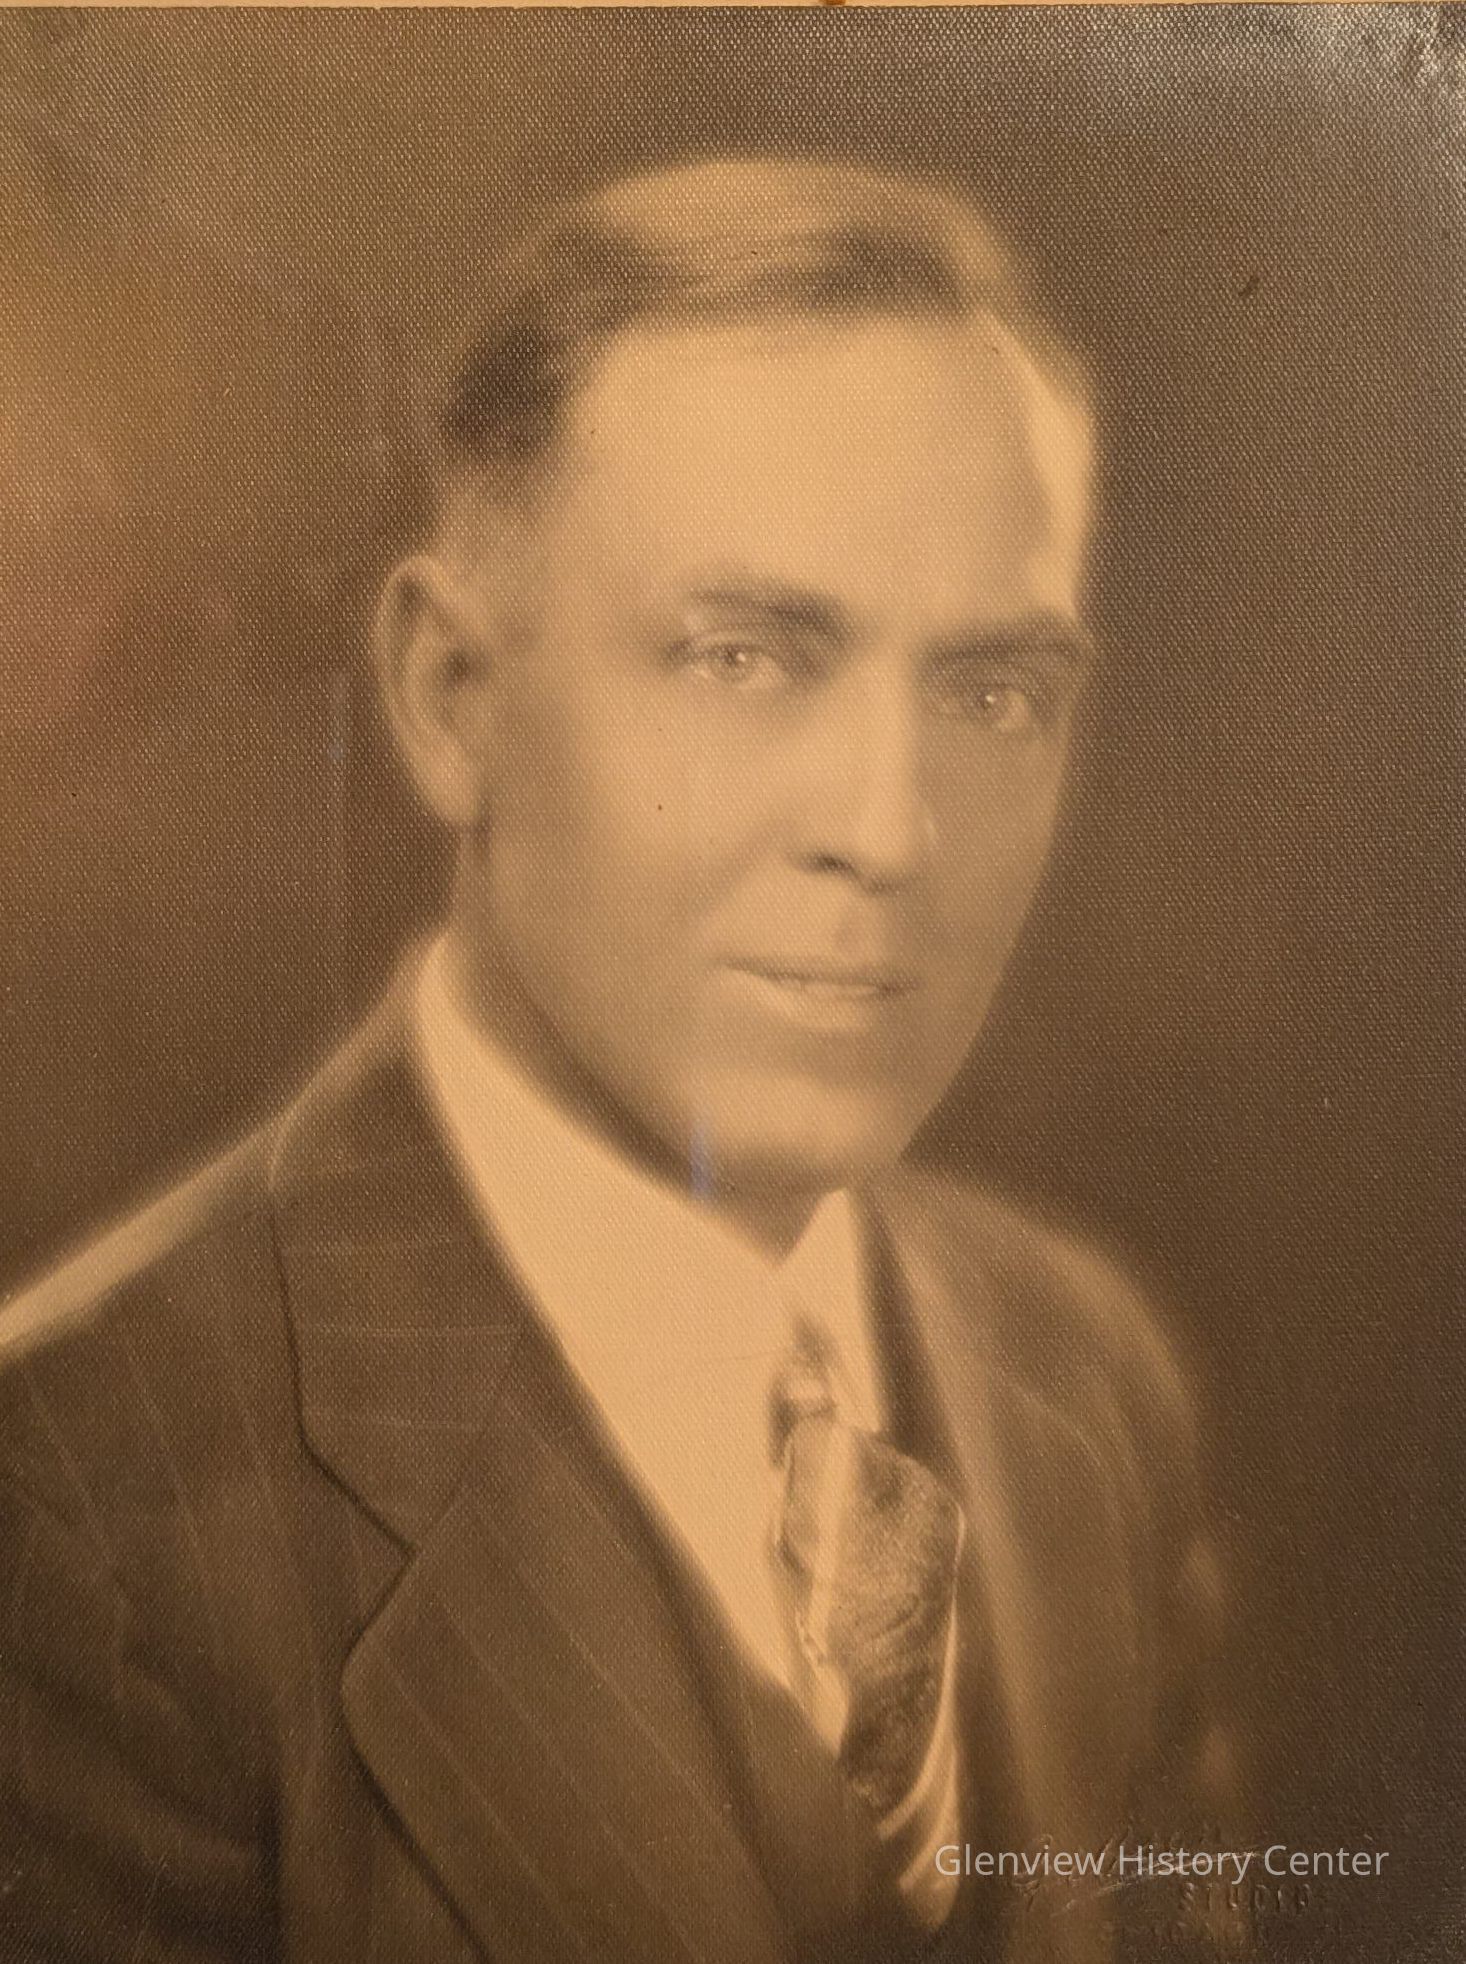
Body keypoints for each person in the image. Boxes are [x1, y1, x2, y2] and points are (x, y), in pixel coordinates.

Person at [0, 158, 1239, 1963]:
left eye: (991, 694)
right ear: (451, 696)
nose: (888, 830)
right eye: (743, 658)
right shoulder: (75, 1505)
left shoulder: (1081, 1375)